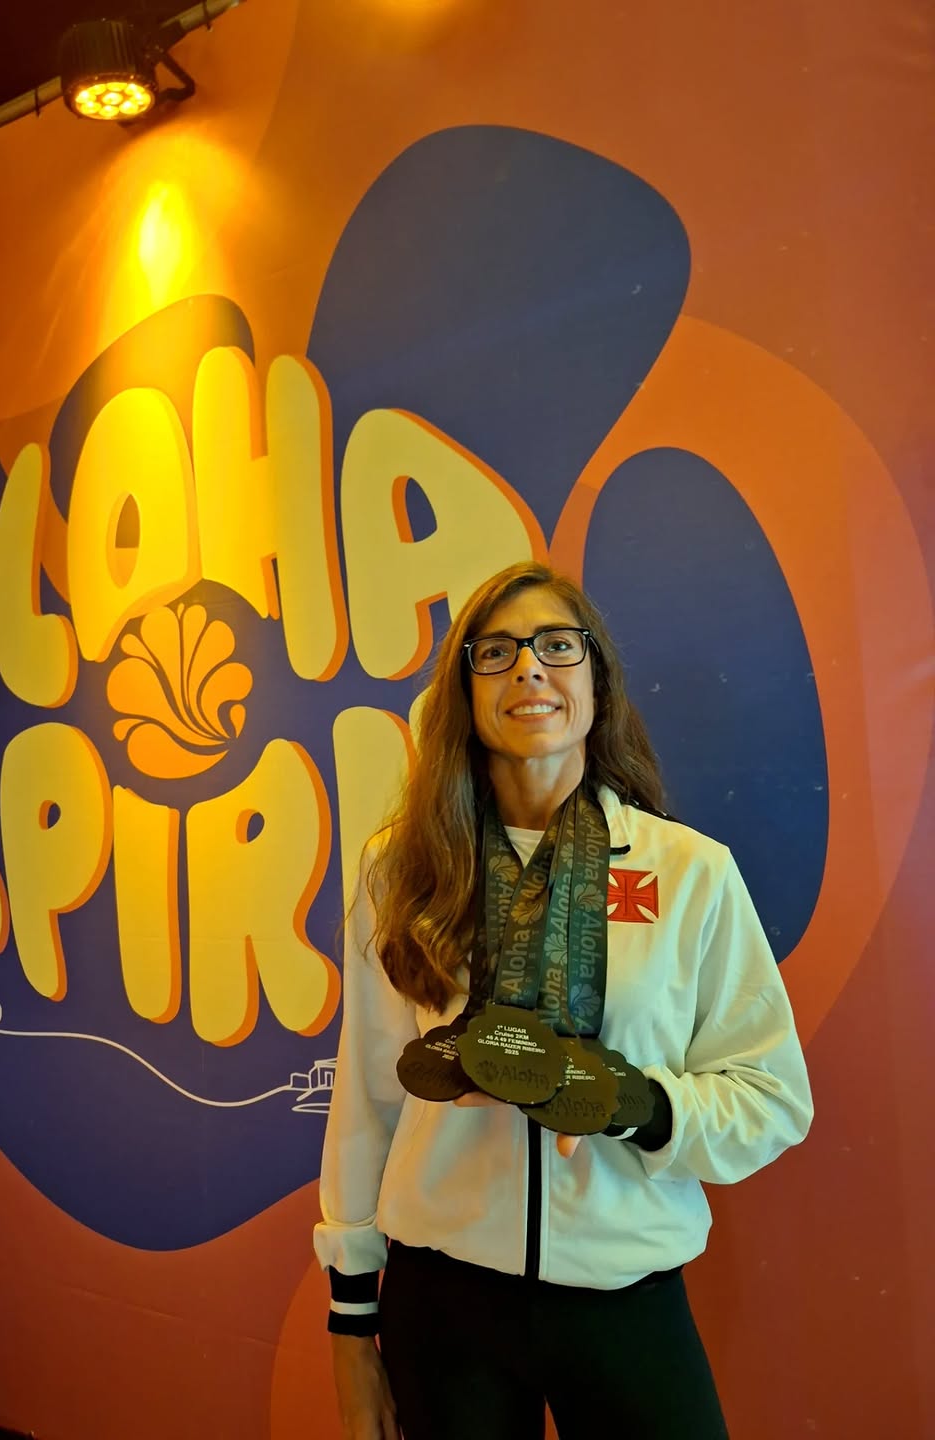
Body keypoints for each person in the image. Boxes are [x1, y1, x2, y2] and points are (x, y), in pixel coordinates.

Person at [314, 560, 813, 1440]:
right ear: (464, 692)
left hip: (624, 1301)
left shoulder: (690, 871)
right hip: (445, 1301)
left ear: (597, 679)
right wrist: (352, 1326)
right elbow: (367, 1098)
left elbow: (772, 1101)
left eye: (556, 646)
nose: (529, 670)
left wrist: (639, 1104)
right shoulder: (404, 869)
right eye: (496, 652)